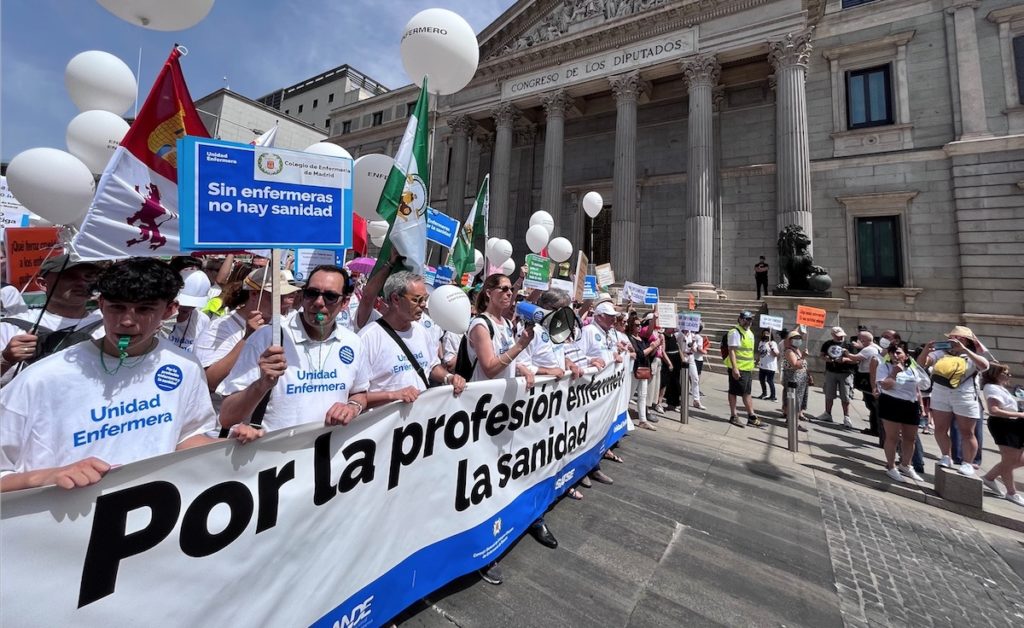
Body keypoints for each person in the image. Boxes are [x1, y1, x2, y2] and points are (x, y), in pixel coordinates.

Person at [0, 258, 261, 492]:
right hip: (60, 533)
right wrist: (50, 476)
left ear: (170, 310)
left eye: (145, 309)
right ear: (101, 304)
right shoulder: (42, 379)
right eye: (117, 307)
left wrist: (231, 445)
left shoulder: (185, 366)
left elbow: (185, 437)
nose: (127, 321)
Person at [219, 265, 369, 434]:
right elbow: (226, 417)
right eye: (312, 293)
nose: (319, 302)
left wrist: (352, 407)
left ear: (345, 302)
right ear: (303, 296)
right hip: (277, 457)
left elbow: (359, 393)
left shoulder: (353, 342)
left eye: (330, 296)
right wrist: (261, 385)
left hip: (329, 456)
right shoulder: (267, 338)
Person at [465, 274, 545, 586]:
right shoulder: (480, 325)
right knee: (479, 483)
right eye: (503, 289)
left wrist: (522, 364)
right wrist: (521, 347)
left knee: (497, 476)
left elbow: (507, 362)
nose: (510, 294)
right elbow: (489, 366)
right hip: (480, 414)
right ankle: (482, 551)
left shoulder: (505, 325)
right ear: (487, 294)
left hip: (502, 413)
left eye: (512, 289)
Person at [357, 271, 466, 408]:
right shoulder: (368, 338)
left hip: (419, 421)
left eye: (425, 299)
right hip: (385, 426)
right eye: (417, 299)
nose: (423, 305)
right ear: (395, 299)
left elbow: (431, 366)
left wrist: (449, 378)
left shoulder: (421, 332)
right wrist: (394, 395)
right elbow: (354, 396)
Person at [195, 267, 299, 392]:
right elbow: (210, 381)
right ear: (254, 294)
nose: (282, 302)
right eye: (276, 296)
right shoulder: (220, 327)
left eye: (284, 296)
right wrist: (247, 338)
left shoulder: (284, 324)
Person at [1, 254, 104, 381]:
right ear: (42, 283)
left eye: (88, 277)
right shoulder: (11, 326)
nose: (82, 283)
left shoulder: (108, 324)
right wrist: (6, 359)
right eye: (69, 276)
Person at [919, 326, 989, 476]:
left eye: (959, 338)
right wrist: (926, 350)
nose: (954, 340)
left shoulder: (971, 355)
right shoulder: (941, 353)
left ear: (967, 341)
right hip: (940, 393)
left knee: (967, 432)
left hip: (964, 395)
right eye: (952, 337)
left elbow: (984, 366)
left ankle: (968, 463)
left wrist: (964, 350)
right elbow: (921, 364)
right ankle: (946, 456)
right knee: (940, 428)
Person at [874, 342, 927, 482]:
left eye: (898, 352)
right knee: (893, 437)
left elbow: (917, 387)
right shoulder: (884, 366)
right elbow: (885, 386)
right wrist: (894, 372)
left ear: (906, 355)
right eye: (892, 352)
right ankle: (891, 467)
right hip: (891, 402)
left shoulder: (912, 368)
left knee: (910, 438)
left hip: (910, 404)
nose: (895, 355)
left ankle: (906, 465)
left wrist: (920, 404)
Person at [979, 364, 1024, 507]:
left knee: (1017, 460)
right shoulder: (991, 388)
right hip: (1004, 425)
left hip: (1013, 425)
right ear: (995, 374)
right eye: (1005, 373)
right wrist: (1019, 414)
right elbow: (994, 410)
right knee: (1009, 461)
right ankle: (1011, 493)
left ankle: (989, 477)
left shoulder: (999, 388)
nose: (1009, 375)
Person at [162, 268, 211, 353]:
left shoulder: (203, 320)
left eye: (194, 304)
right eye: (185, 302)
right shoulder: (158, 315)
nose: (189, 307)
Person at [726, 310, 760, 427]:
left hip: (747, 368)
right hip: (738, 368)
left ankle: (751, 416)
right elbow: (732, 350)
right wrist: (735, 368)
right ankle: (733, 415)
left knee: (747, 392)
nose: (748, 322)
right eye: (745, 319)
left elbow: (748, 351)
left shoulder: (749, 333)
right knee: (734, 391)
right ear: (740, 319)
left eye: (749, 319)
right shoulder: (735, 332)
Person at [847, 329, 884, 440]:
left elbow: (855, 358)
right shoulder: (878, 348)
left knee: (871, 404)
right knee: (873, 405)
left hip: (868, 378)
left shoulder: (868, 350)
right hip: (872, 377)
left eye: (860, 339)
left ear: (864, 340)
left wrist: (846, 353)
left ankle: (875, 429)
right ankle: (875, 428)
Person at [819, 326, 856, 428]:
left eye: (842, 336)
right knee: (829, 393)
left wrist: (845, 359)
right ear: (833, 335)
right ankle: (827, 413)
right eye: (838, 336)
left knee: (845, 395)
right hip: (831, 371)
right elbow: (821, 355)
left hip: (846, 373)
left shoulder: (848, 345)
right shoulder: (827, 344)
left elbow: (856, 360)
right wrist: (826, 358)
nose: (840, 338)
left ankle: (846, 416)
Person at [626, 316, 658, 431]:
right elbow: (640, 354)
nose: (639, 327)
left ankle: (642, 420)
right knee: (629, 395)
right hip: (634, 369)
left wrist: (654, 348)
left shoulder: (641, 338)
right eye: (636, 325)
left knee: (642, 395)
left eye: (640, 325)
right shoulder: (629, 338)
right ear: (631, 326)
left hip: (644, 368)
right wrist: (652, 347)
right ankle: (624, 416)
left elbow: (648, 353)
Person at [781, 329, 809, 431]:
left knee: (798, 401)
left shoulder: (796, 350)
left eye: (799, 338)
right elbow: (796, 364)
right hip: (794, 380)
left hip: (800, 380)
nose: (798, 340)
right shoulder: (789, 351)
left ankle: (791, 420)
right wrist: (804, 357)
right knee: (795, 401)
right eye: (795, 338)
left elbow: (802, 364)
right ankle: (793, 422)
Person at [756, 328, 779, 401]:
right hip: (762, 365)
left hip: (770, 366)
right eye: (764, 333)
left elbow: (776, 354)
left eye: (767, 333)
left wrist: (771, 347)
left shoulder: (773, 343)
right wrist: (757, 361)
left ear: (770, 335)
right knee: (761, 380)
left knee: (770, 381)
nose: (765, 335)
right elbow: (760, 353)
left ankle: (773, 396)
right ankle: (764, 393)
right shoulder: (761, 342)